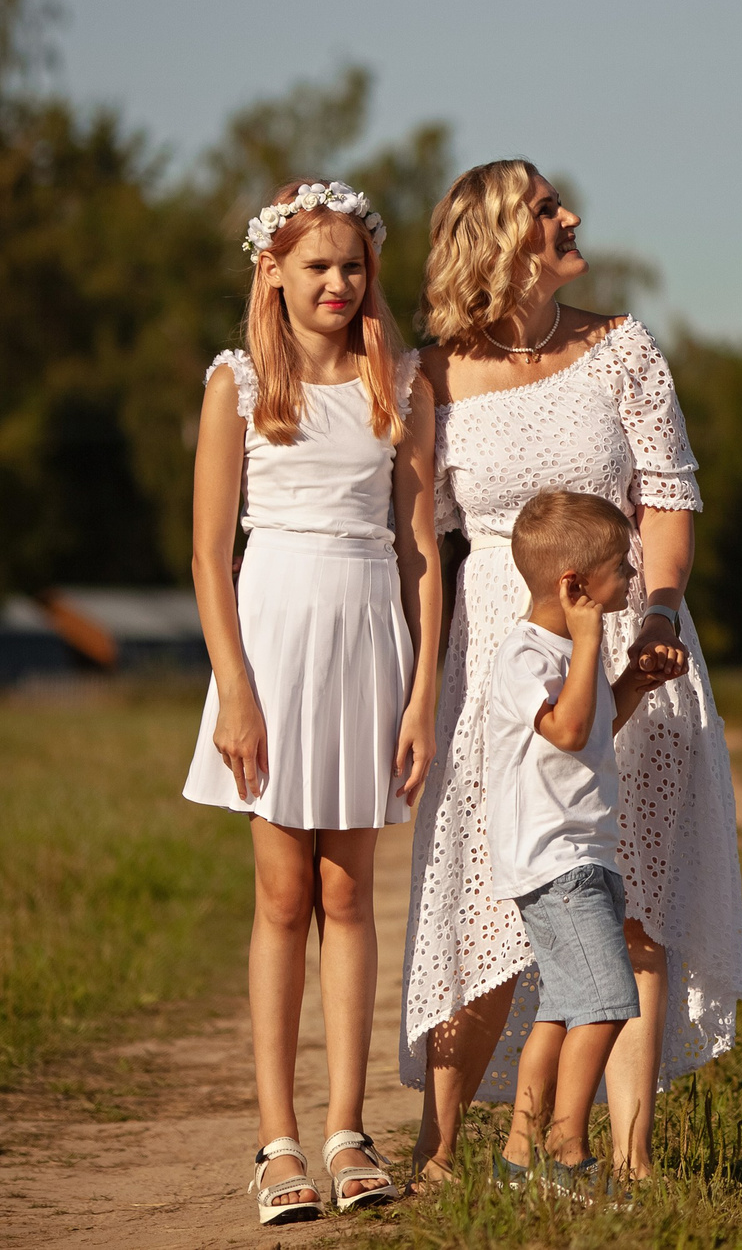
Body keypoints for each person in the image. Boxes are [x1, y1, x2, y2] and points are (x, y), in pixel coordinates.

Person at [400, 161, 742, 1184]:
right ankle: (442, 1148)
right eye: (547, 209)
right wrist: (417, 680)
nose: (572, 218)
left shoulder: (622, 349)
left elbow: (668, 496)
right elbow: (421, 544)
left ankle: (625, 1156)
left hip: (629, 637)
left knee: (627, 896)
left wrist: (665, 609)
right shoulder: (430, 375)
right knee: (478, 899)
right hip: (493, 661)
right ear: (496, 238)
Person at [182, 179, 440, 1223]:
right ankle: (276, 1138)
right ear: (273, 274)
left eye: (353, 264)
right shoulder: (238, 383)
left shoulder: (404, 378)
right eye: (316, 265)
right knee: (283, 895)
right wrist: (234, 689)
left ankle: (346, 1126)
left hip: (369, 634)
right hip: (276, 641)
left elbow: (423, 547)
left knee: (350, 893)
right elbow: (207, 554)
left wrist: (423, 691)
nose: (338, 282)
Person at [484, 489, 668, 1194]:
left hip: (582, 853)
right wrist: (591, 646)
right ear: (575, 585)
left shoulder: (567, 651)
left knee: (562, 1009)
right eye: (621, 567)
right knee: (609, 1001)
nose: (629, 578)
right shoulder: (527, 655)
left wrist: (633, 682)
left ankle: (517, 1158)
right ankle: (567, 1150)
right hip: (556, 862)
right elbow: (562, 728)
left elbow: (592, 725)